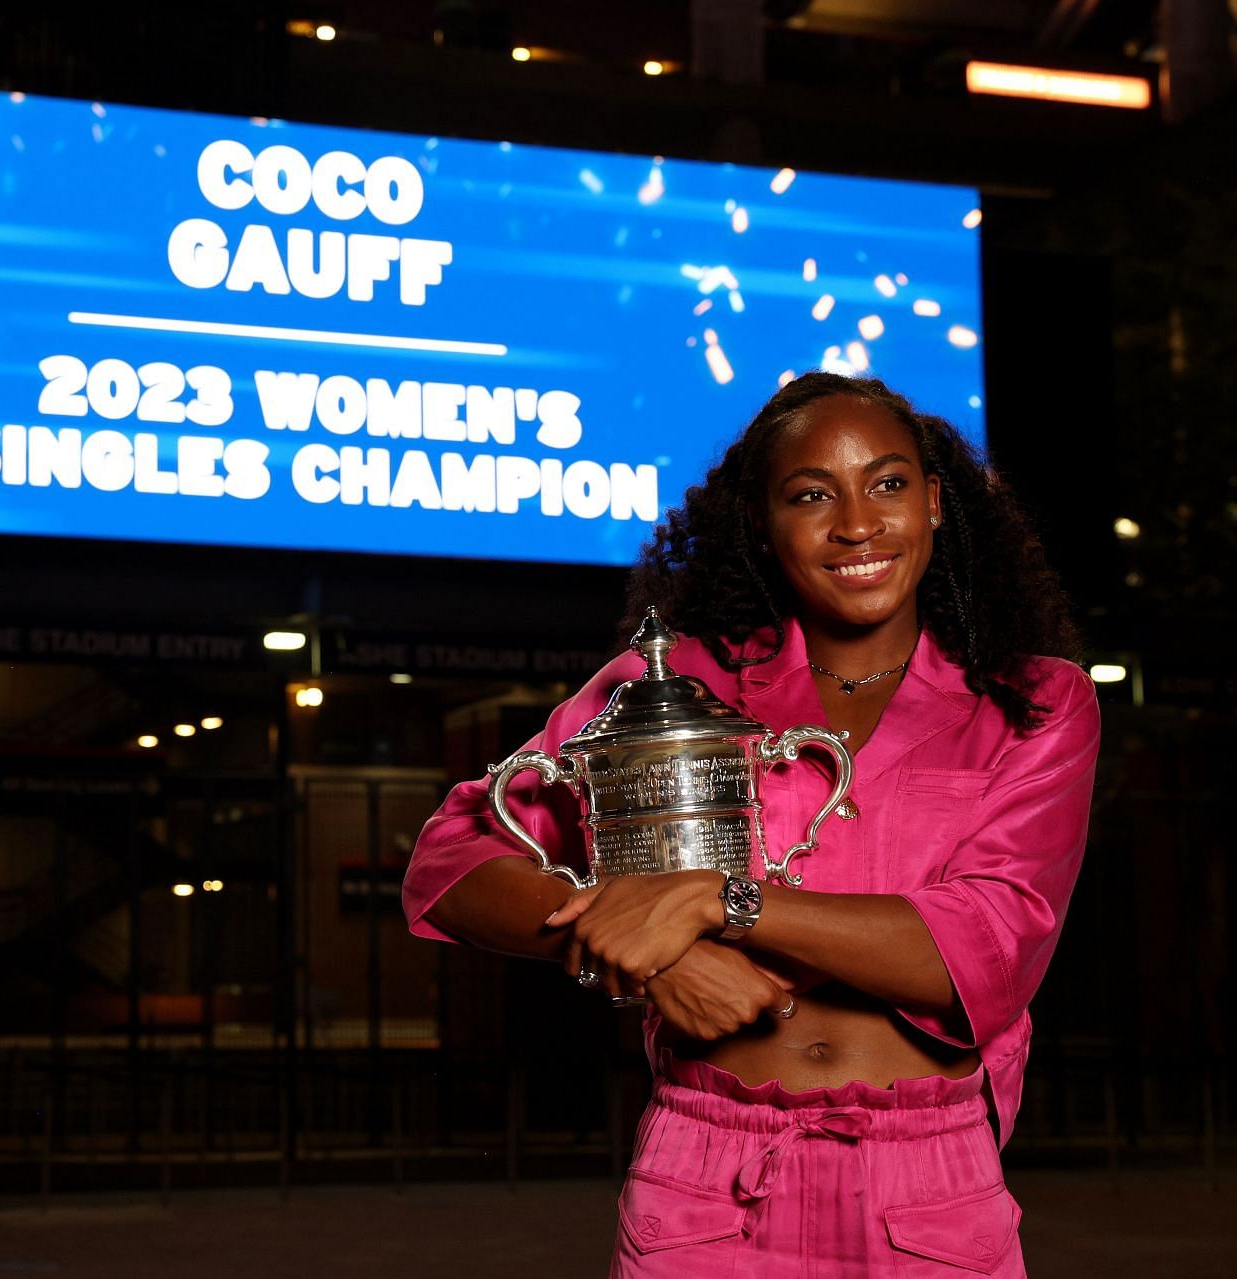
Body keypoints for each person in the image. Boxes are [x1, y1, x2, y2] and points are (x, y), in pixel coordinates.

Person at [402, 372, 1098, 1276]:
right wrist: (651, 951)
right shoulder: (678, 687)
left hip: (928, 1178)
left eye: (887, 484)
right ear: (764, 527)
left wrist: (719, 902)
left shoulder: (1034, 700)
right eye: (812, 495)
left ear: (933, 502)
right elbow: (449, 859)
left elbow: (986, 950)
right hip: (705, 1172)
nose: (857, 523)